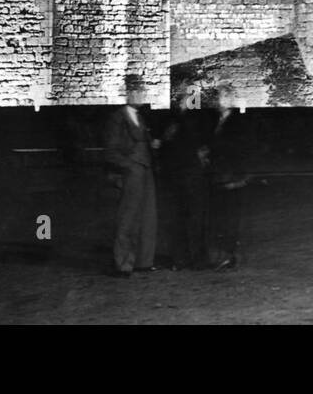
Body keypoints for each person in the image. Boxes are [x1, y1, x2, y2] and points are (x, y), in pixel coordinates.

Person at [102, 77, 161, 277]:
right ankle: (123, 264)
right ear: (128, 93)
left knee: (147, 217)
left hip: (146, 171)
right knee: (127, 218)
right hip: (132, 172)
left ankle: (144, 262)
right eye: (139, 91)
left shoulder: (141, 118)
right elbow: (111, 150)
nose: (143, 95)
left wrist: (152, 147)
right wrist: (129, 167)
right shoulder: (118, 118)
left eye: (144, 91)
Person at [161, 85, 210, 270]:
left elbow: (200, 141)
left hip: (192, 173)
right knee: (178, 218)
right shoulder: (173, 118)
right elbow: (167, 142)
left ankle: (196, 258)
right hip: (177, 174)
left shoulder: (195, 118)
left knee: (194, 218)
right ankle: (180, 259)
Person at [206, 84, 250, 270]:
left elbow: (239, 150)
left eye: (224, 97)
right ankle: (224, 255)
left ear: (231, 100)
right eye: (218, 97)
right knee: (222, 218)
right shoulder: (218, 121)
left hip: (231, 178)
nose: (219, 101)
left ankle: (229, 256)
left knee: (230, 219)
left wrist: (237, 177)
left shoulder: (238, 123)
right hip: (221, 177)